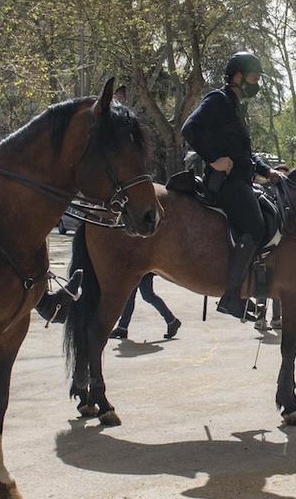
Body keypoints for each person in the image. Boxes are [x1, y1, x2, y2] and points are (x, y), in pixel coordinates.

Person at [182, 51, 275, 320]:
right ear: (237, 76)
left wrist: (267, 171)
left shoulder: (237, 107)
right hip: (226, 183)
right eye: (253, 77)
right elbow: (190, 128)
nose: (256, 83)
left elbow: (245, 154)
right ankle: (232, 297)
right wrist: (213, 159)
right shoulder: (218, 100)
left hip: (242, 180)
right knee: (255, 226)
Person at [111, 274, 180, 342]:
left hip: (144, 268)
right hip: (134, 268)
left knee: (148, 295)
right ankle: (122, 327)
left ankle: (172, 321)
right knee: (130, 296)